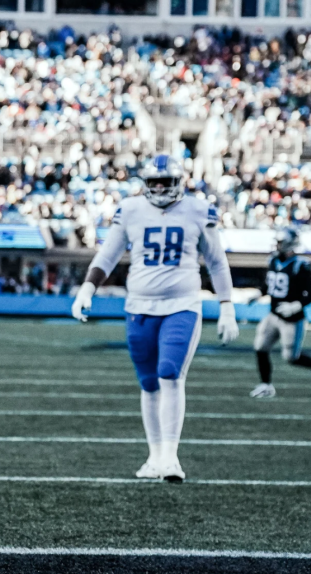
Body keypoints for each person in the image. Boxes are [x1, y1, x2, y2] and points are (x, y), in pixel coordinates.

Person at [71, 155, 239, 483]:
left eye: (166, 182)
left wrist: (227, 306)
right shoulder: (131, 209)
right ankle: (154, 455)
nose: (160, 188)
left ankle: (171, 457)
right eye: (154, 182)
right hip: (139, 307)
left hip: (182, 305)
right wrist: (87, 288)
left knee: (170, 374)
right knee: (149, 384)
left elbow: (217, 263)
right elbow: (108, 254)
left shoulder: (197, 209)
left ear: (179, 182)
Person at [249, 226, 311, 397]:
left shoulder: (301, 265)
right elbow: (269, 284)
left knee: (291, 357)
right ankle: (266, 385)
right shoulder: (273, 261)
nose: (277, 245)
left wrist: (296, 305)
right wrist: (259, 293)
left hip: (293, 319)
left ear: (289, 244)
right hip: (273, 314)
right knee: (260, 347)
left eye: (280, 242)